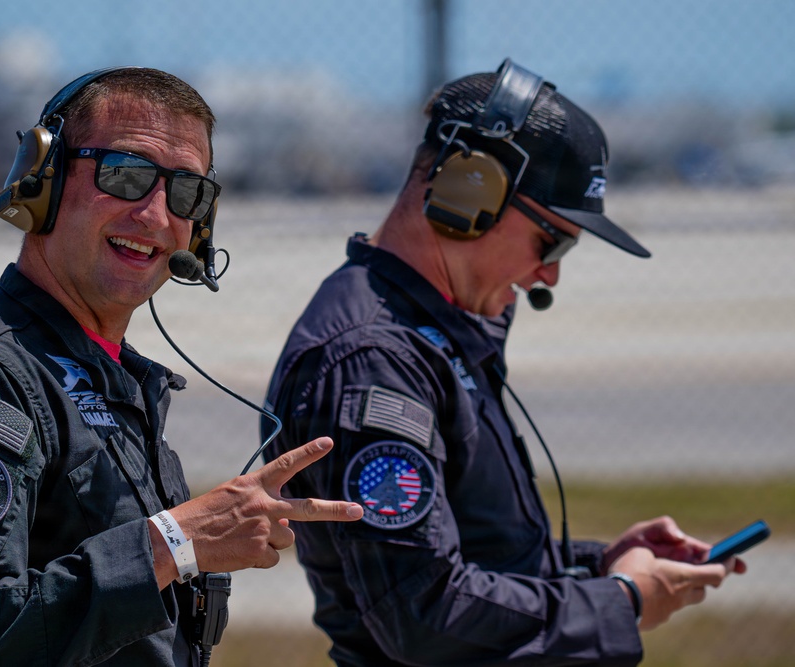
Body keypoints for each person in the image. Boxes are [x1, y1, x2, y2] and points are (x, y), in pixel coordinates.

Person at [261, 59, 744, 666]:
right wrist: (621, 601)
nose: (551, 274)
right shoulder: (375, 360)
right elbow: (423, 612)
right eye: (553, 240)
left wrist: (599, 566)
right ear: (471, 190)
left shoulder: (431, 332)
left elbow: (470, 549)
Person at [0, 66, 363, 667]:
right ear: (43, 181)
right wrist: (175, 542)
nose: (156, 216)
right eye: (126, 175)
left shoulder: (116, 379)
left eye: (186, 192)